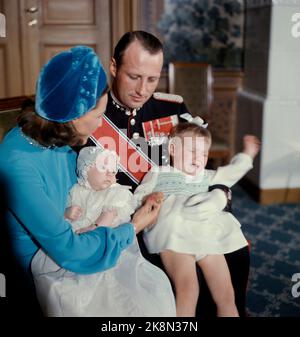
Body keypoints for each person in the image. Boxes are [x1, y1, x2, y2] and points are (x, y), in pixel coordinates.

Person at [86, 30, 252, 316]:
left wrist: (220, 195)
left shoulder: (171, 108)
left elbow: (199, 166)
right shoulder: (91, 115)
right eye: (134, 76)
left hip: (182, 210)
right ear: (114, 67)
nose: (142, 89)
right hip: (128, 224)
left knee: (234, 254)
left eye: (152, 79)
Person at [0, 46, 164, 315]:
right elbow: (70, 250)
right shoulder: (17, 166)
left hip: (82, 238)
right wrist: (133, 227)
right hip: (50, 271)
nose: (100, 125)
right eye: (98, 116)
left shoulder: (55, 138)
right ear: (74, 117)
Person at [134, 118, 261, 316]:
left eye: (204, 153)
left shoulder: (206, 175)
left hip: (206, 235)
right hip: (174, 234)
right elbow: (140, 195)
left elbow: (231, 173)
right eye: (193, 151)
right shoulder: (160, 172)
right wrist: (147, 198)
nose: (199, 158)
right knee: (189, 289)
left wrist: (247, 155)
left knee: (227, 293)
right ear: (174, 150)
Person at [31, 146, 175, 317]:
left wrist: (95, 228)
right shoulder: (75, 191)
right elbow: (60, 216)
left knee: (113, 282)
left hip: (108, 240)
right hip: (75, 240)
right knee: (68, 286)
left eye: (113, 171)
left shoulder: (115, 192)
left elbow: (108, 216)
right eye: (103, 168)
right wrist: (67, 213)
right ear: (86, 169)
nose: (110, 174)